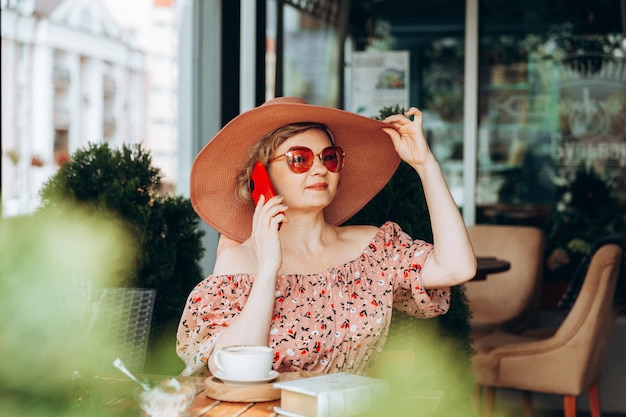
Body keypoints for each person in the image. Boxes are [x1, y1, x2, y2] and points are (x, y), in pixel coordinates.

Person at [177, 97, 476, 377]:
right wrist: (268, 270)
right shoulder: (239, 262)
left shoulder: (372, 249)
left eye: (329, 158)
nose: (320, 169)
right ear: (261, 176)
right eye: (299, 159)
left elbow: (457, 268)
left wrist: (426, 166)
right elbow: (231, 370)